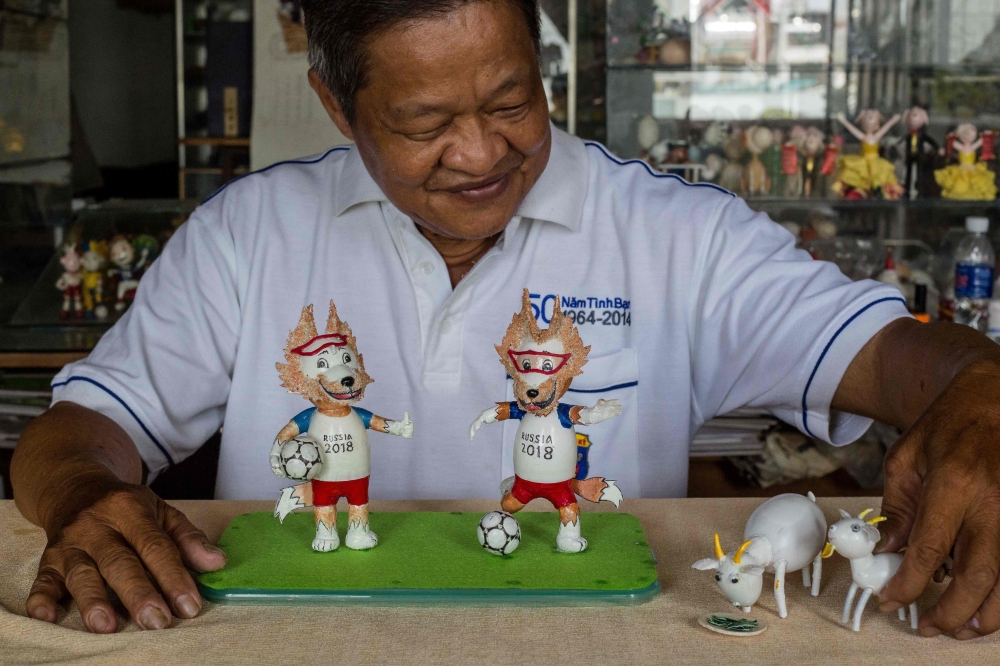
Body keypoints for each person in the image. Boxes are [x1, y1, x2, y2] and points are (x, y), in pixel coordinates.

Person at [11, 0, 1000, 642]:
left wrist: (982, 393)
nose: (481, 152)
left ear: (543, 70)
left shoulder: (678, 235)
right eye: (425, 124)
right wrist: (78, 495)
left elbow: (899, 360)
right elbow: (79, 431)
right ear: (336, 104)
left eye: (511, 99)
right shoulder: (248, 232)